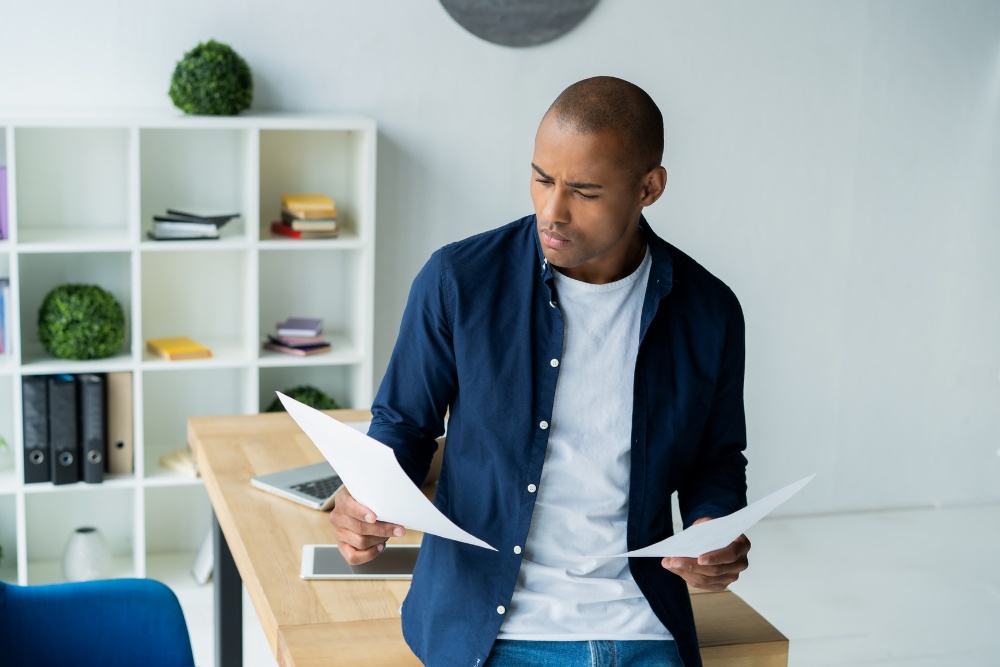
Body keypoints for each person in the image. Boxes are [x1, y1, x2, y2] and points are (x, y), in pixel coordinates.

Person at [330, 76, 750, 667]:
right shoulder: (459, 281)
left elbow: (717, 458)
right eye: (542, 178)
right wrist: (365, 505)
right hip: (490, 632)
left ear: (649, 187)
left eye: (584, 191)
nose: (552, 211)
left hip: (642, 625)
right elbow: (403, 427)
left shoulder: (709, 311)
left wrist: (714, 530)